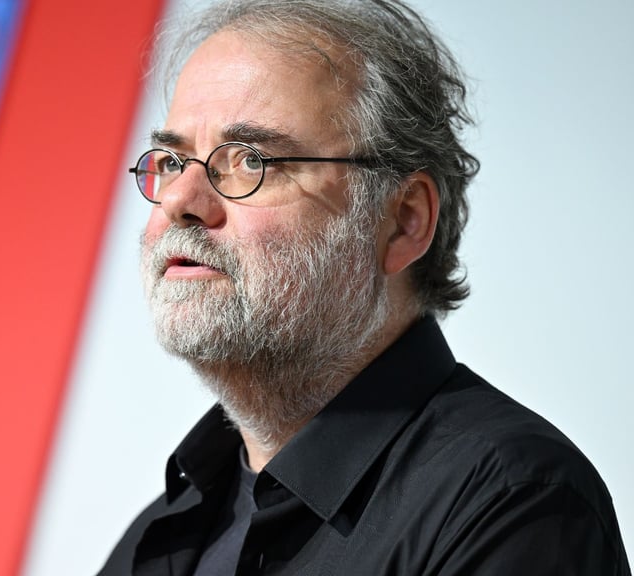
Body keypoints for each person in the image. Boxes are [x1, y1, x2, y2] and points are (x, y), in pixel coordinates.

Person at [99, 0, 631, 574]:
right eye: (174, 162)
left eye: (249, 161)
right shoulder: (158, 538)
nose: (179, 202)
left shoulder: (513, 504)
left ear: (403, 220)